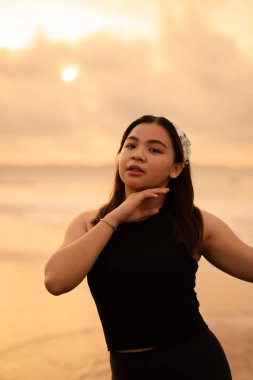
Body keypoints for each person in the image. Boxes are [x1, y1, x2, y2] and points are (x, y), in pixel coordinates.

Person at [44, 115, 253, 380]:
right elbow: (55, 281)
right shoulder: (89, 224)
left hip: (195, 366)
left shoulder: (194, 224)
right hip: (127, 371)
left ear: (176, 169)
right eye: (130, 146)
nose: (138, 155)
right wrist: (116, 216)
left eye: (154, 149)